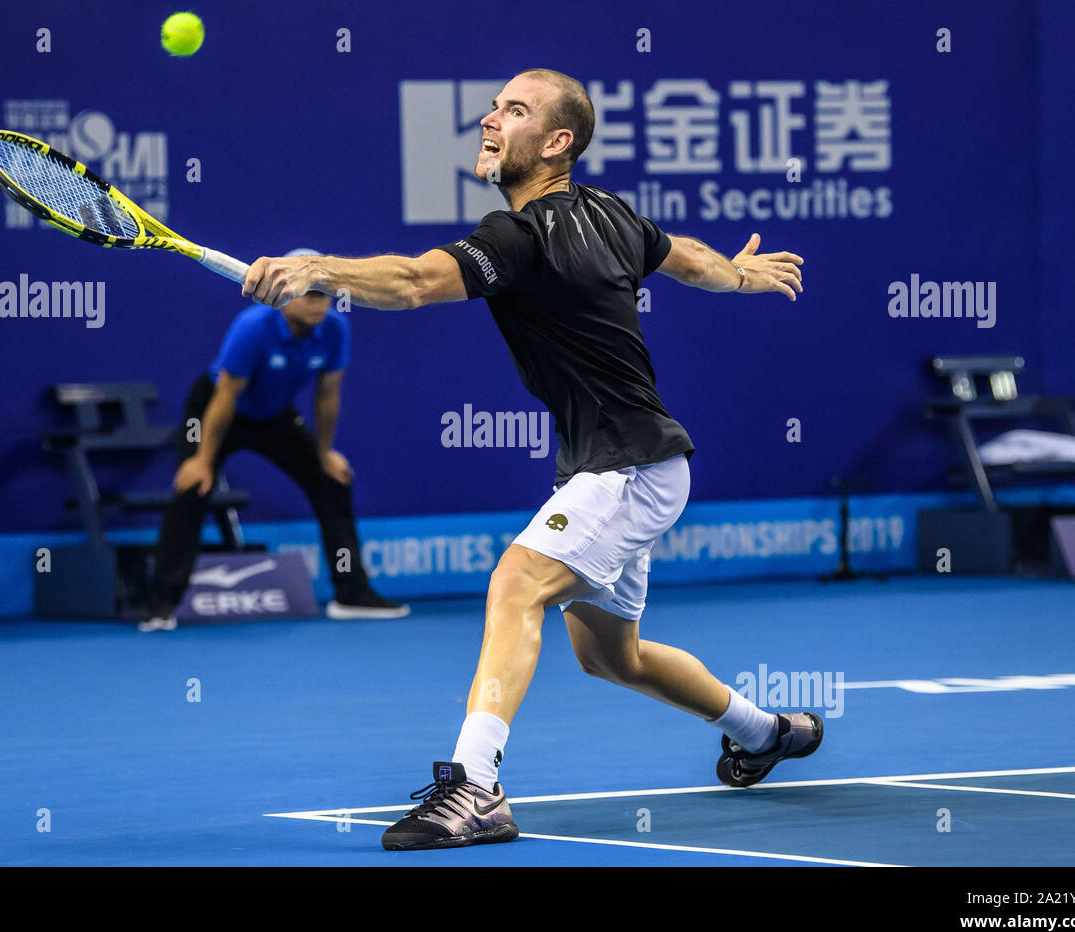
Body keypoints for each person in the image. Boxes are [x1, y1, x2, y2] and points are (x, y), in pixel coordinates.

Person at [242, 71, 814, 851]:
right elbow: (687, 257)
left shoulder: (520, 236)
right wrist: (741, 276)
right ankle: (768, 731)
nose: (489, 118)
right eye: (494, 105)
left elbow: (412, 284)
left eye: (514, 110)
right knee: (615, 659)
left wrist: (320, 271)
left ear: (557, 143)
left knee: (516, 581)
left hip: (629, 465)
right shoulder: (610, 214)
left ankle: (475, 788)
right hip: (626, 464)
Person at [140, 249, 408, 630]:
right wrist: (202, 460)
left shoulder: (335, 330)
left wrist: (324, 452)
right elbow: (225, 396)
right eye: (310, 293)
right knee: (193, 488)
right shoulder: (254, 327)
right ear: (287, 295)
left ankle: (352, 593)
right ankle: (160, 604)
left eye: (324, 293)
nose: (319, 303)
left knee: (331, 482)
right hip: (217, 409)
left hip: (274, 413)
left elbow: (327, 396)